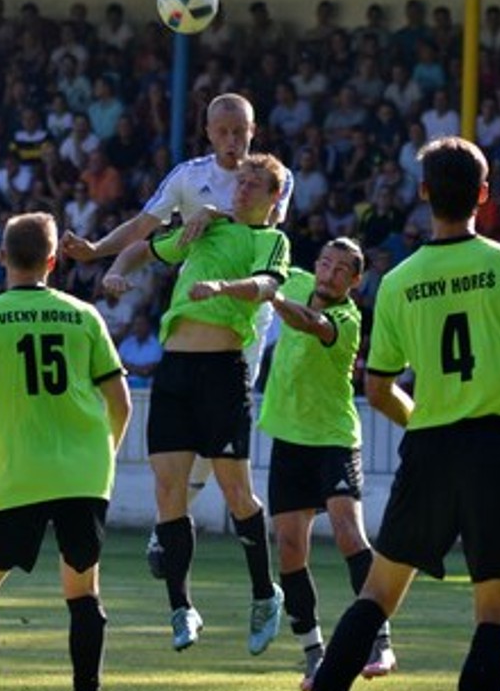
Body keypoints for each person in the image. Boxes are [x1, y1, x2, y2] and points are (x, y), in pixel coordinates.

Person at [310, 137, 500, 691]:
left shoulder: (400, 280)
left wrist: (432, 417)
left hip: (429, 448)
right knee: (495, 614)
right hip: (497, 448)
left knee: (377, 595)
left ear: (424, 192)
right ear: (484, 194)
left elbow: (378, 389)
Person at [60, 92, 293, 578]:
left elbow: (263, 225)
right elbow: (145, 226)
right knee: (187, 435)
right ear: (208, 132)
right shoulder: (189, 176)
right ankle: (170, 524)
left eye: (240, 131)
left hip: (243, 319)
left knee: (220, 443)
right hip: (195, 309)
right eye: (222, 131)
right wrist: (99, 251)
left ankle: (178, 525)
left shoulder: (272, 176)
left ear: (253, 132)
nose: (231, 140)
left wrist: (209, 214)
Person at [0, 212, 131, 691]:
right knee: (82, 592)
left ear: (1, 257)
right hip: (84, 475)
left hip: (18, 479)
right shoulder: (84, 316)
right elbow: (120, 404)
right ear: (53, 261)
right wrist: (103, 461)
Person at [102, 154, 290, 653]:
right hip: (175, 373)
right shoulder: (203, 226)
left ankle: (263, 592)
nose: (243, 187)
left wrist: (223, 287)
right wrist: (117, 270)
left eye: (256, 184)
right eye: (242, 180)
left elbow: (268, 286)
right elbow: (148, 248)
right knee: (168, 492)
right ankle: (181, 608)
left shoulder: (269, 240)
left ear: (274, 199)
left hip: (222, 374)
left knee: (236, 493)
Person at [258, 238, 397, 689]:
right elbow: (260, 266)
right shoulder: (293, 280)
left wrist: (271, 296)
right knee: (290, 549)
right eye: (325, 263)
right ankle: (313, 655)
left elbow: (310, 323)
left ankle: (380, 639)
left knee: (346, 532)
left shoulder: (347, 318)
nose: (329, 273)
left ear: (356, 281)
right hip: (289, 440)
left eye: (342, 270)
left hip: (333, 438)